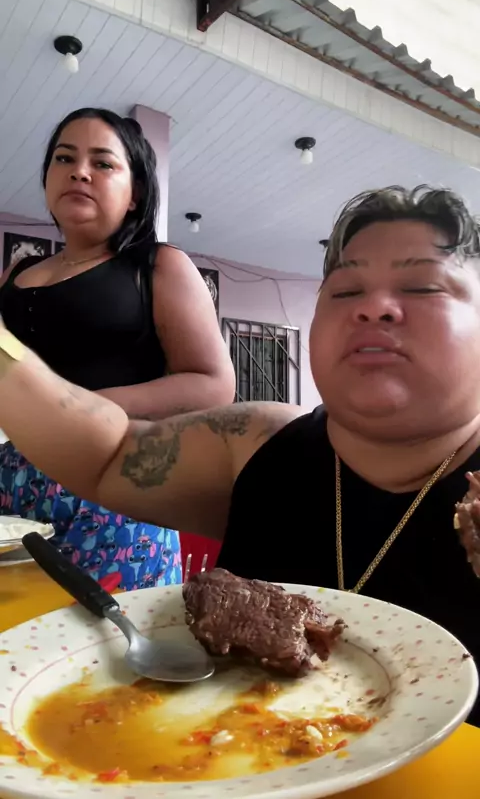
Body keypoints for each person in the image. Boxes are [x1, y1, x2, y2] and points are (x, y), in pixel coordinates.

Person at [0, 185, 479, 725]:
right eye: (346, 291)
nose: (373, 308)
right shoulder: (254, 440)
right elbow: (107, 452)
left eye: (421, 286)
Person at [0, 107, 235, 589]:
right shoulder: (16, 274)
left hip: (116, 498)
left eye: (103, 163)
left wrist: (78, 407)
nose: (79, 171)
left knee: (108, 632)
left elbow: (212, 384)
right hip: (10, 498)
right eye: (64, 158)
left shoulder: (158, 266)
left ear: (136, 193)